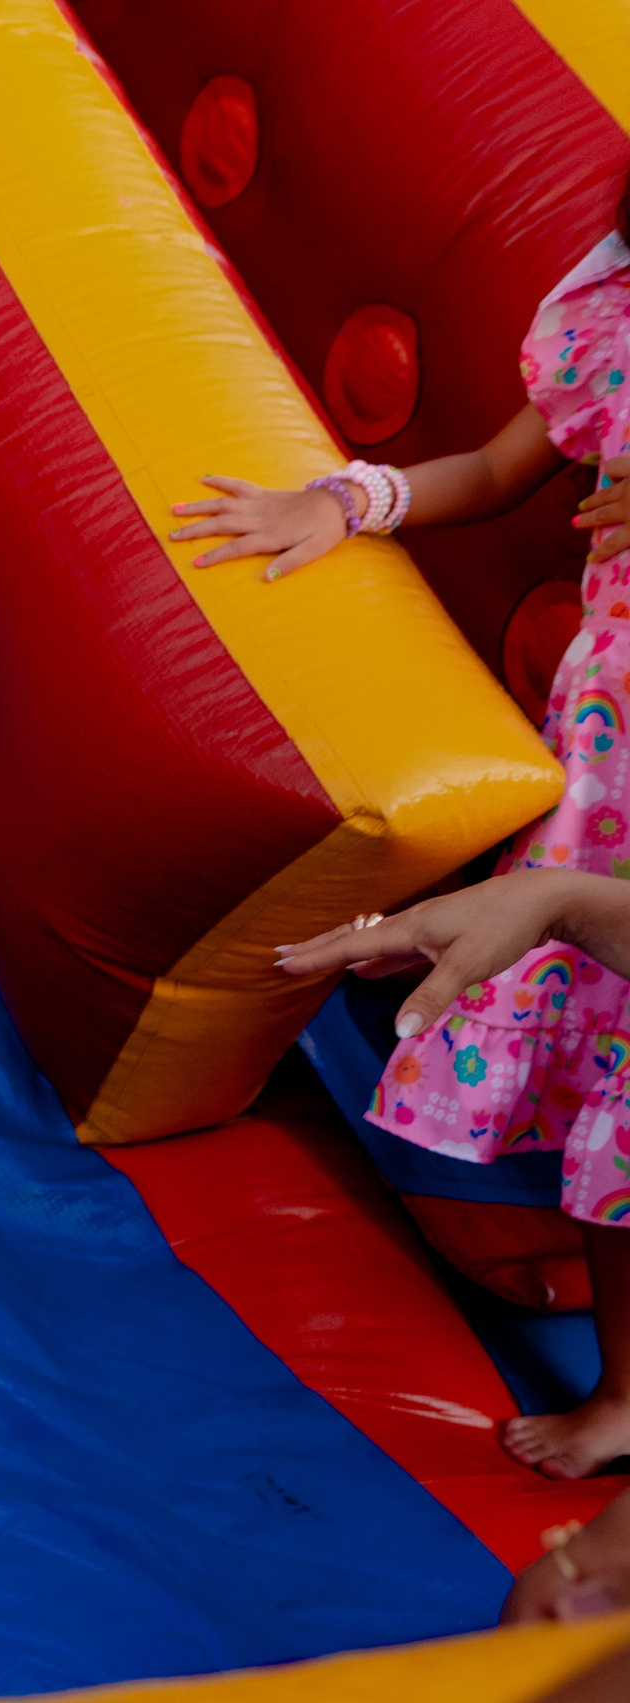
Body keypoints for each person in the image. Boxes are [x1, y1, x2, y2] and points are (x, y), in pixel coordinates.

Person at [185, 182, 630, 1477]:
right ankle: (624, 1386)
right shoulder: (611, 318)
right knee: (611, 1077)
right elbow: (494, 471)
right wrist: (347, 500)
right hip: (611, 770)